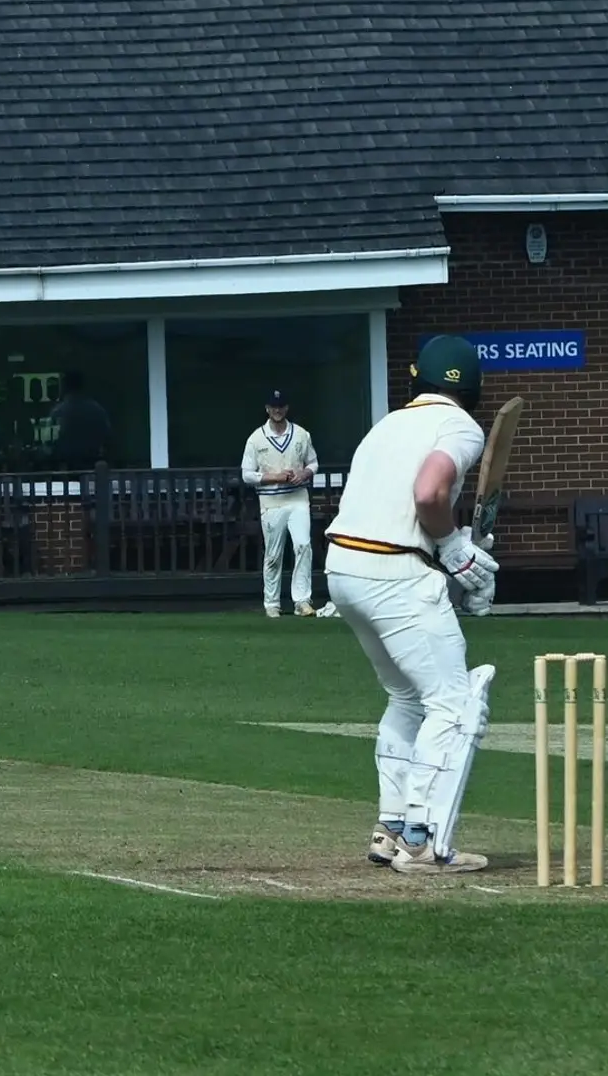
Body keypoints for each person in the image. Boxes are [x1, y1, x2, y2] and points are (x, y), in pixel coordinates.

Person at [323, 335, 500, 875]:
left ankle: (392, 827)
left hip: (343, 569)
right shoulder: (462, 427)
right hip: (394, 572)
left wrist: (454, 561)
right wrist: (454, 551)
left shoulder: (387, 425)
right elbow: (429, 494)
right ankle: (424, 841)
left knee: (407, 696)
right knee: (454, 702)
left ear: (415, 378)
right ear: (473, 391)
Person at [241, 389, 319, 618]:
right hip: (271, 503)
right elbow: (247, 474)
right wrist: (274, 477)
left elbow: (313, 463)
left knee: (303, 545)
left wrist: (304, 474)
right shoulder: (256, 439)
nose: (277, 410)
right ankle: (272, 603)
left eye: (281, 406)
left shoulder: (301, 435)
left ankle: (302, 600)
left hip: (297, 499)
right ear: (267, 408)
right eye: (273, 406)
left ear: (287, 408)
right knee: (274, 554)